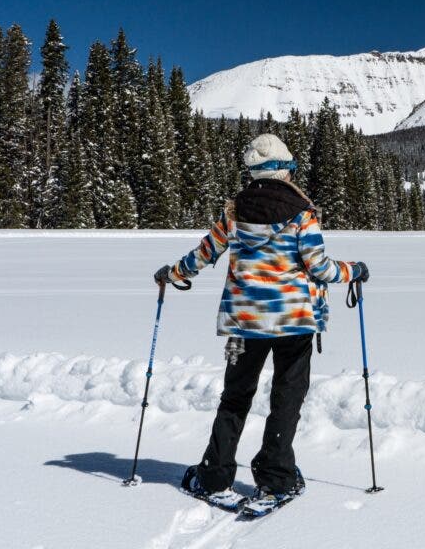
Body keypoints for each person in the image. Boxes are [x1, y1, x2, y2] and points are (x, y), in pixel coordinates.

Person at [154, 133, 369, 509]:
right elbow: (318, 266)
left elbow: (205, 254)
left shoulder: (234, 211)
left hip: (245, 322)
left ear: (253, 171)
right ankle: (275, 478)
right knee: (286, 398)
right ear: (285, 169)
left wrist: (172, 273)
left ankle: (215, 474)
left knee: (235, 398)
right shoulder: (303, 212)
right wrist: (354, 271)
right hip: (294, 321)